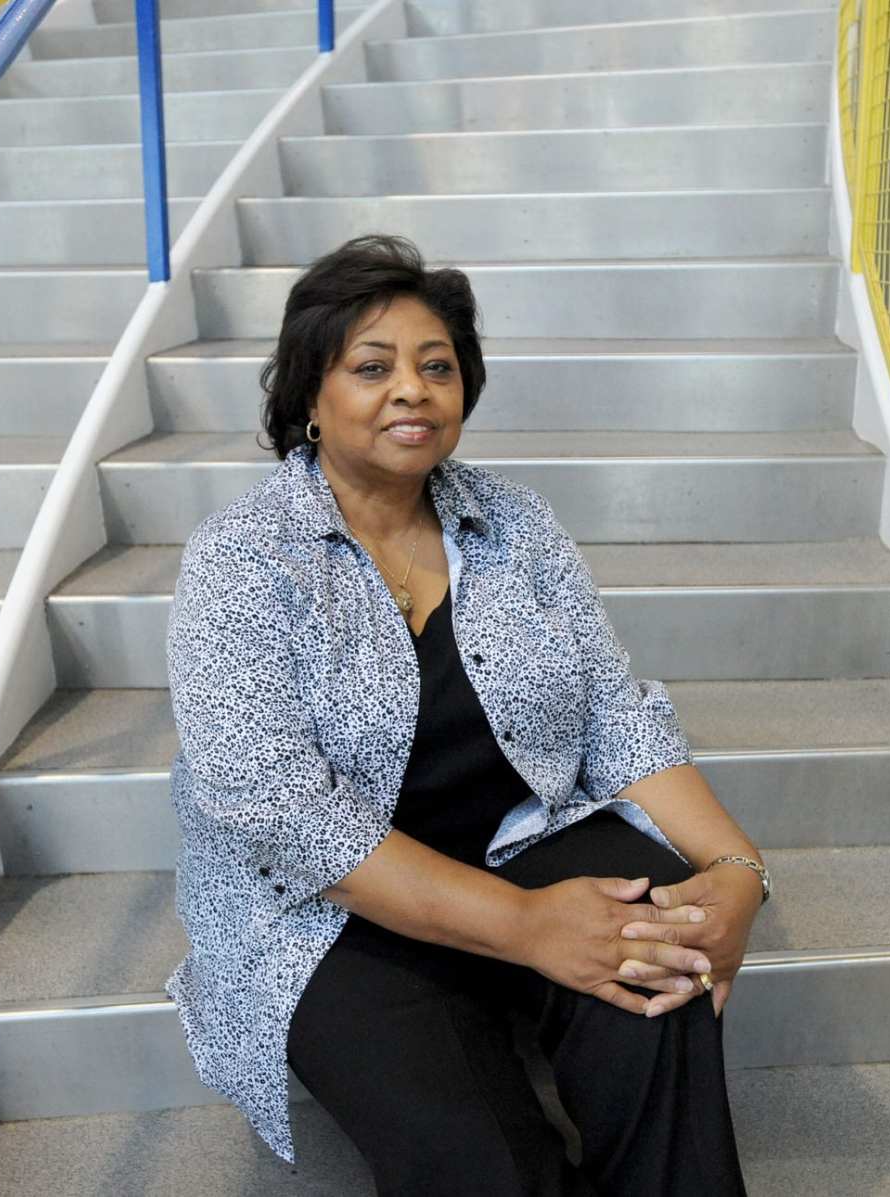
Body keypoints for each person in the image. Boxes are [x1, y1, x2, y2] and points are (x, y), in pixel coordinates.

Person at [164, 235, 767, 1196]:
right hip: (330, 908)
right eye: (373, 367)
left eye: (435, 367)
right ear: (308, 399)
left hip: (517, 839)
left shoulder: (517, 523)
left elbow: (615, 713)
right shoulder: (242, 559)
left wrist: (735, 872)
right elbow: (287, 817)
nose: (412, 389)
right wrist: (528, 928)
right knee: (485, 1166)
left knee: (661, 971)